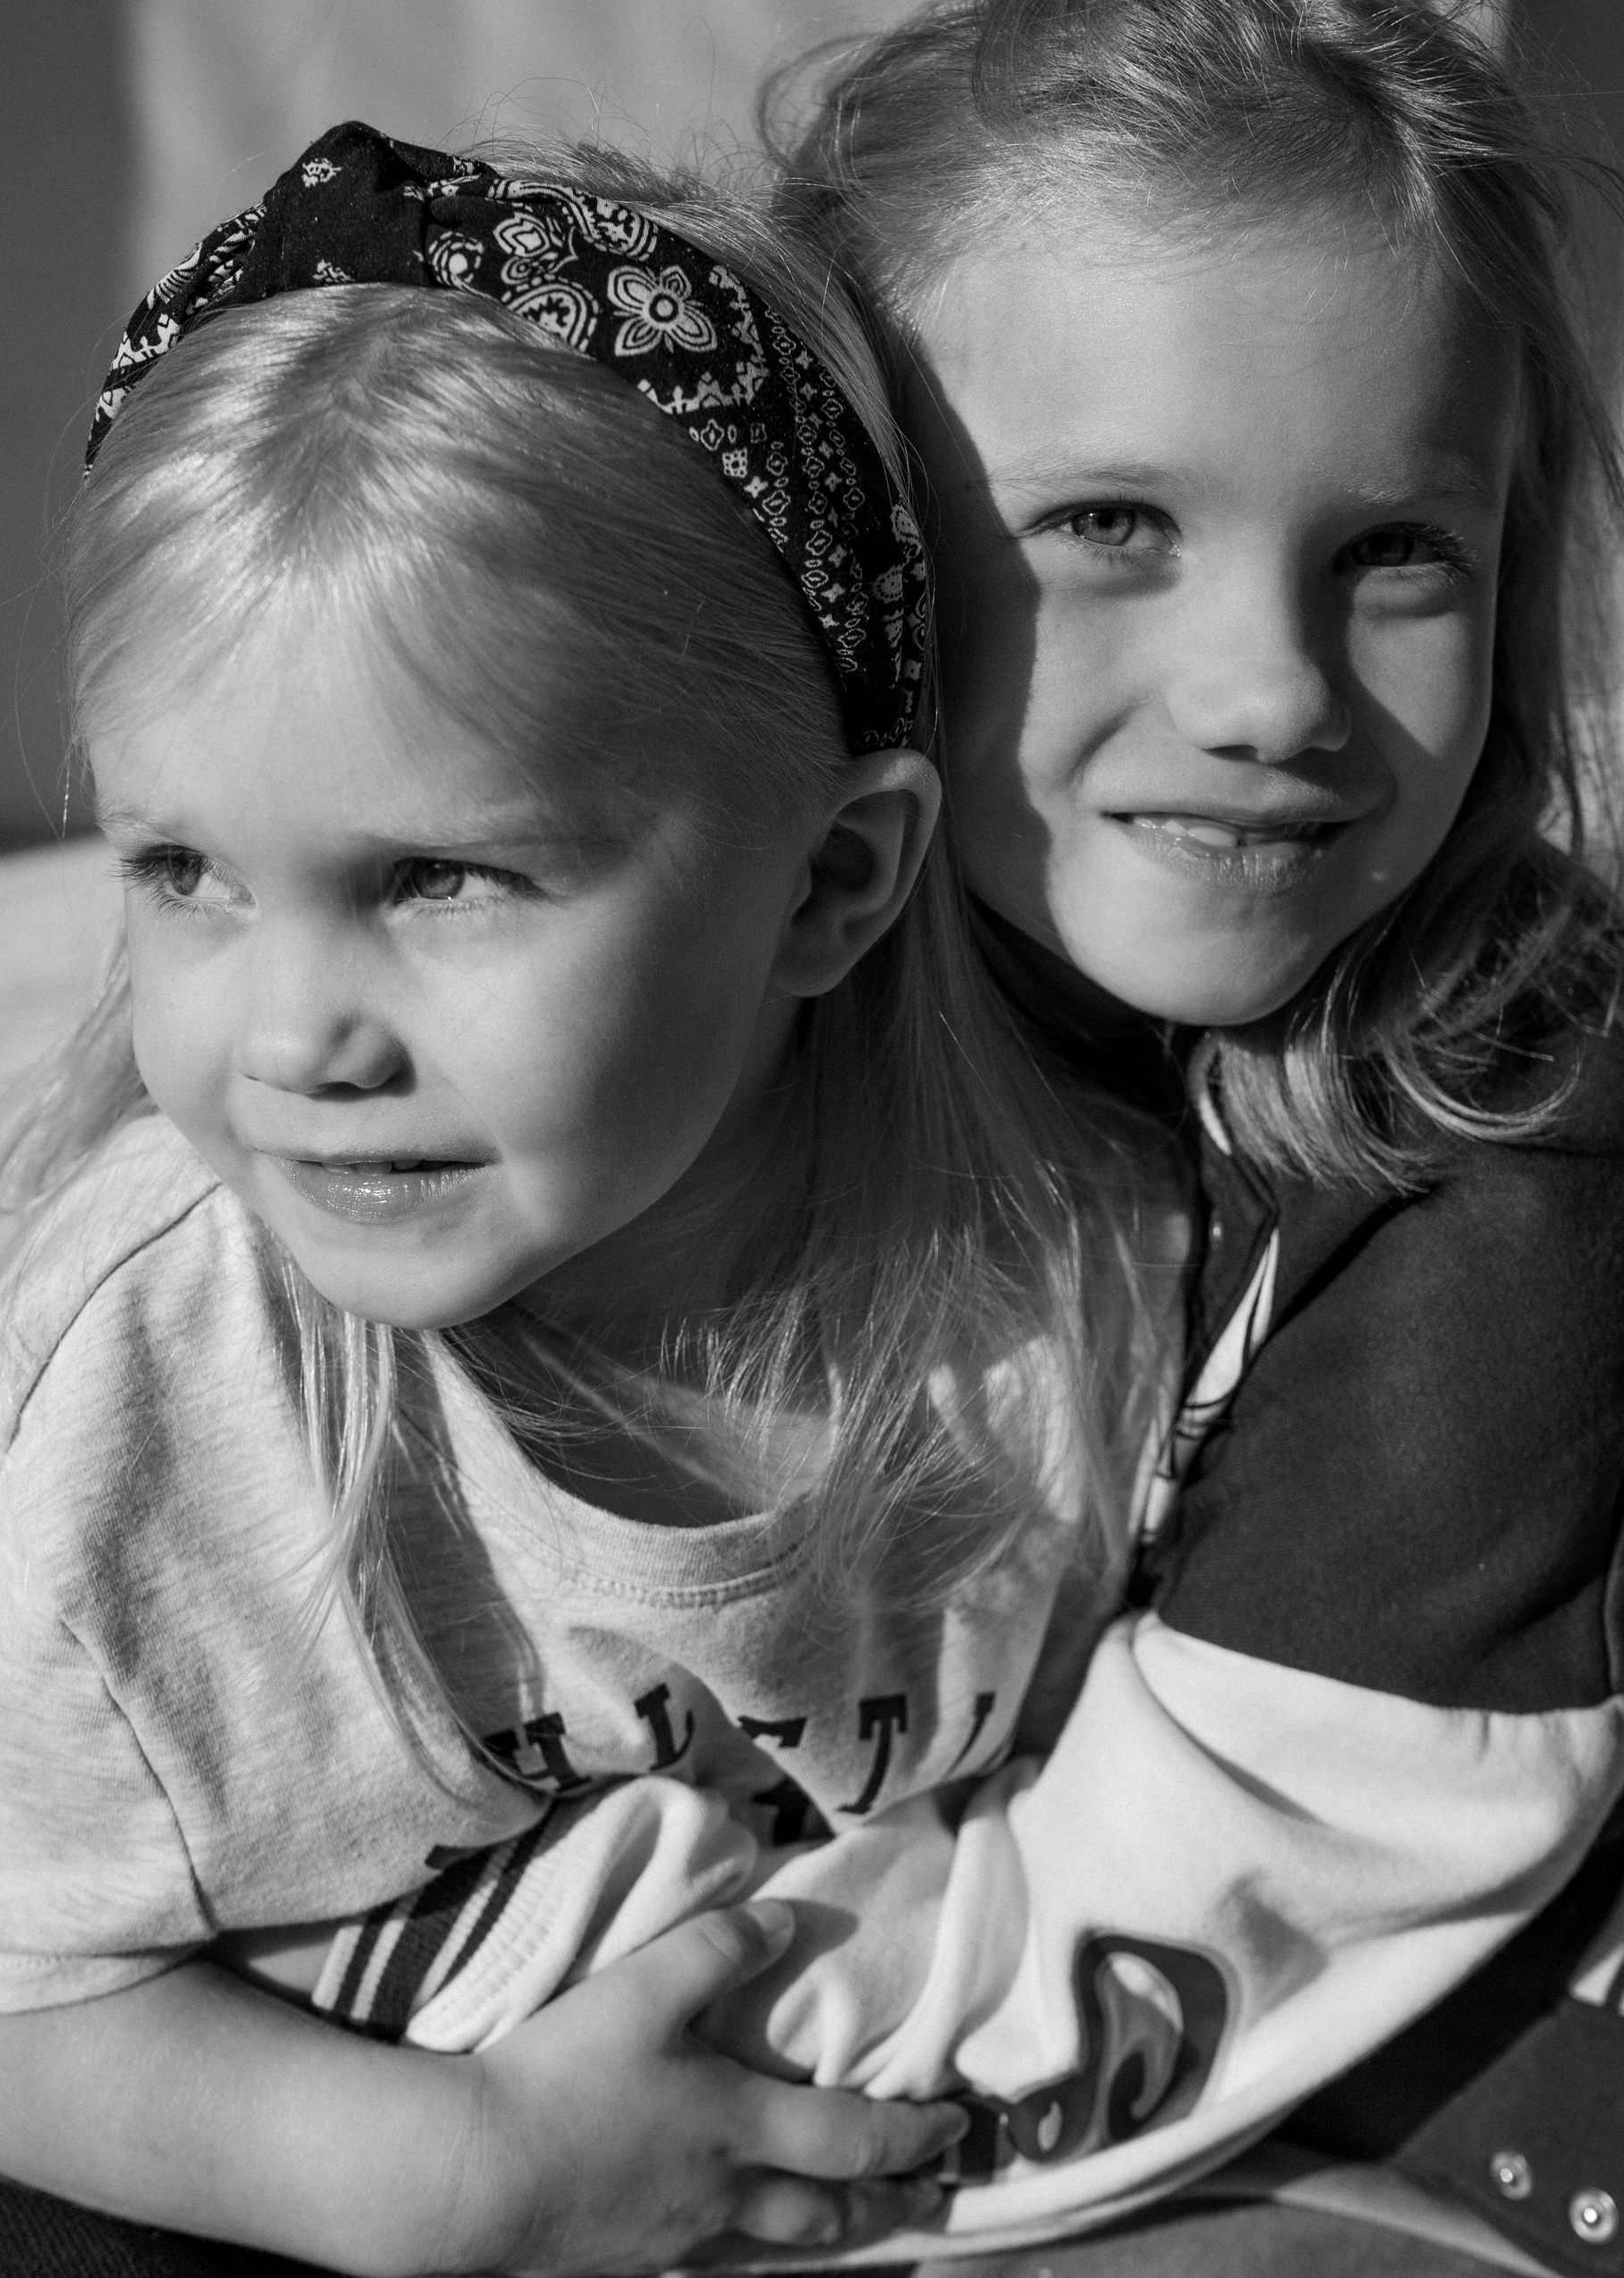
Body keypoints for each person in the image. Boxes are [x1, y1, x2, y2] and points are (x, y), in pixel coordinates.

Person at [0, 123, 1178, 2274]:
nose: (293, 1034)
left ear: (833, 878)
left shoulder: (1062, 1273)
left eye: (440, 876)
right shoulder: (162, 1411)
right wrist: (461, 2174)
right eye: (183, 869)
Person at [754, 0, 1624, 2271]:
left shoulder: (1511, 1124)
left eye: (1396, 551)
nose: (1271, 692)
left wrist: (516, 2133)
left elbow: (1219, 1911)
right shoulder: (718, 1028)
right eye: (1112, 522)